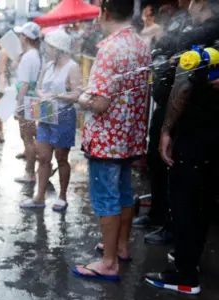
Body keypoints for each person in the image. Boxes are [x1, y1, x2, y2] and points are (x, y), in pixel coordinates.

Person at [144, 0, 219, 294]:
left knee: (186, 198)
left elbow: (182, 85)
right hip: (212, 139)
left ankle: (186, 276)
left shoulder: (197, 36)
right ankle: (189, 257)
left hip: (195, 134)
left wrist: (166, 129)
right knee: (202, 198)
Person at [73, 0, 151, 281]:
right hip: (129, 137)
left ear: (104, 12)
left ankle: (108, 263)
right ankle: (120, 247)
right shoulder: (141, 45)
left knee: (106, 199)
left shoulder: (109, 48)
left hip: (107, 140)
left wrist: (82, 97)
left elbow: (100, 102)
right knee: (124, 192)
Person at [133, 0, 192, 245]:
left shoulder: (196, 22)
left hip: (179, 107)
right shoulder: (177, 20)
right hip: (164, 104)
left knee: (172, 169)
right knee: (155, 159)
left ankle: (170, 224)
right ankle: (157, 214)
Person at [19, 29, 80, 212]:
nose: (47, 50)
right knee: (43, 157)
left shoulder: (73, 67)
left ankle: (62, 196)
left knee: (62, 158)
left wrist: (58, 95)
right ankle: (40, 196)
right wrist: (43, 95)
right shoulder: (48, 65)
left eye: (50, 47)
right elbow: (38, 87)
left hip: (64, 117)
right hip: (45, 114)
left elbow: (77, 93)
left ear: (59, 48)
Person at [13, 22, 42, 183]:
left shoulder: (28, 57)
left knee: (27, 139)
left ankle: (30, 173)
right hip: (33, 101)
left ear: (25, 37)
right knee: (30, 136)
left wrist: (18, 107)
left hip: (26, 102)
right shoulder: (36, 54)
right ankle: (42, 165)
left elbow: (23, 84)